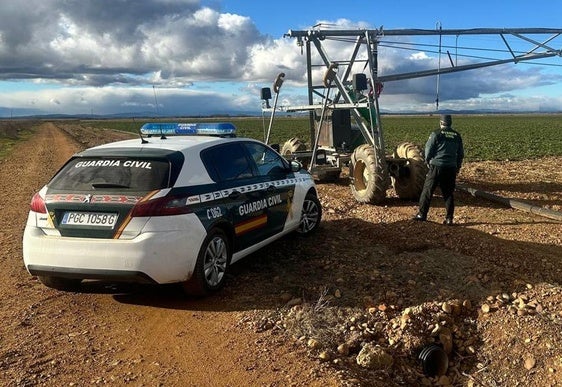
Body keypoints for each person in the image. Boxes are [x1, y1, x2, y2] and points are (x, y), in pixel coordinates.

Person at [413, 114, 464, 225]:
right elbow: (460, 154)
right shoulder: (457, 136)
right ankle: (449, 218)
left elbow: (428, 149)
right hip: (451, 168)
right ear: (450, 123)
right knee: (448, 193)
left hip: (436, 167)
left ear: (441, 123)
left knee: (428, 191)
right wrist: (457, 166)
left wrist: (427, 161)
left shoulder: (436, 134)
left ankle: (422, 214)